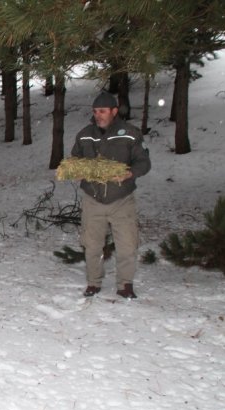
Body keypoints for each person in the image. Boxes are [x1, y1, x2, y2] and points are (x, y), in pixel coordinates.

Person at [71, 91, 151, 299]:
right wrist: (75, 170)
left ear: (114, 111)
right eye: (95, 111)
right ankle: (93, 282)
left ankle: (125, 284)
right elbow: (74, 159)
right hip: (93, 198)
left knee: (127, 244)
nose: (98, 115)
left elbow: (144, 162)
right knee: (92, 244)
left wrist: (131, 173)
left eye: (103, 111)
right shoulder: (85, 134)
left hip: (121, 199)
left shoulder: (130, 134)